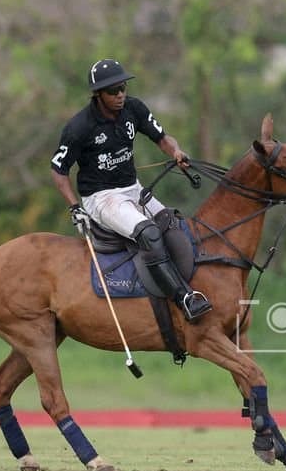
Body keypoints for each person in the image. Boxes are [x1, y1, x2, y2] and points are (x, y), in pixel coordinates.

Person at [50, 58, 211, 321]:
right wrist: (74, 207)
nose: (120, 94)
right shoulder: (79, 127)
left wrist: (176, 151)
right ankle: (183, 299)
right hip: (101, 198)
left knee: (172, 224)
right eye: (113, 90)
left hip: (132, 189)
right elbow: (58, 170)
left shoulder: (134, 109)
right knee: (148, 233)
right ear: (98, 94)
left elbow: (162, 137)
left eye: (123, 87)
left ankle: (188, 284)